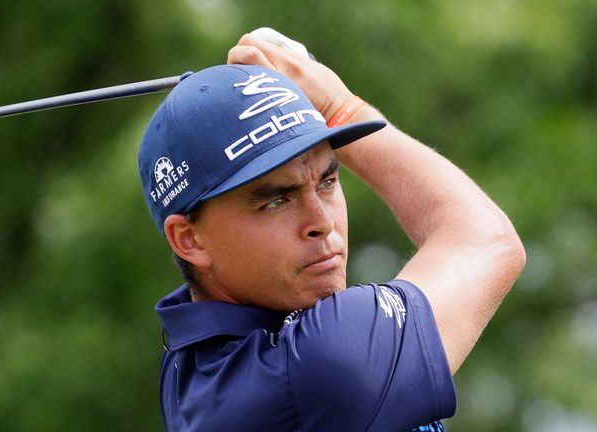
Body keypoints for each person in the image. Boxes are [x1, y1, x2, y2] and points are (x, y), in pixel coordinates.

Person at [137, 29, 526, 431]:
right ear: (189, 239)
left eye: (327, 181)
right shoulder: (325, 363)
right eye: (276, 200)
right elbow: (487, 240)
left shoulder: (187, 360)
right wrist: (341, 107)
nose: (321, 222)